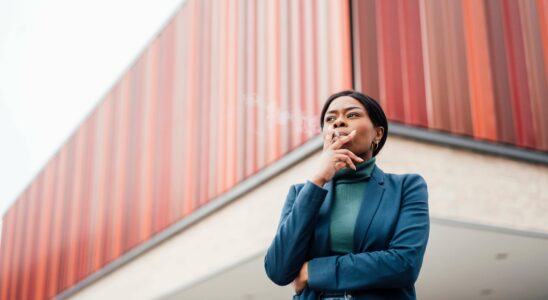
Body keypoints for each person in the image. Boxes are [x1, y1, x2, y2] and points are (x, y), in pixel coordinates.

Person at [264, 90, 430, 299]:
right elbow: (278, 270)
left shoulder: (407, 187)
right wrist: (317, 181)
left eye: (352, 115)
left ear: (377, 134)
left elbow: (405, 263)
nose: (339, 122)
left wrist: (312, 271)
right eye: (330, 119)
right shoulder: (301, 194)